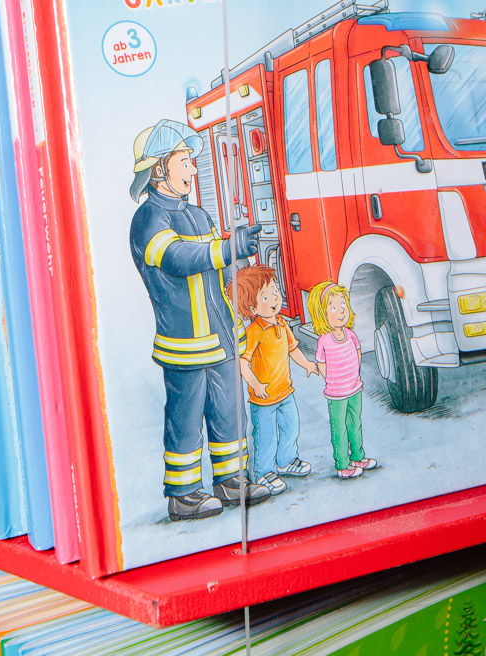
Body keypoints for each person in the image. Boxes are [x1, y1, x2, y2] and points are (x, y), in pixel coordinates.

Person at [128, 119, 270, 521]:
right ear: (159, 169)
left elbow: (219, 275)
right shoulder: (148, 220)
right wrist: (226, 249)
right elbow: (179, 259)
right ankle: (184, 494)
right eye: (185, 161)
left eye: (192, 161)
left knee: (229, 412)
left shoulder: (200, 215)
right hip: (185, 345)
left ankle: (231, 482)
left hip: (222, 340)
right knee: (186, 419)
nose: (193, 169)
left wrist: (239, 296)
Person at [234, 265, 317, 495]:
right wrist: (255, 385)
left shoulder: (282, 323)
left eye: (275, 291)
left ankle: (286, 461)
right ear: (253, 308)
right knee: (266, 437)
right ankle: (264, 472)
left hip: (285, 392)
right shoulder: (254, 332)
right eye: (265, 296)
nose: (274, 298)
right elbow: (243, 363)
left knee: (291, 428)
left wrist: (307, 364)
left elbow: (293, 349)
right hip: (263, 400)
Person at [308, 280, 377, 479]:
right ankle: (342, 464)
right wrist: (331, 379)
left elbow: (358, 353)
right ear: (322, 314)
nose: (340, 311)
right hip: (336, 394)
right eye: (333, 308)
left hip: (354, 388)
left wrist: (355, 374)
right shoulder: (324, 340)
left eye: (343, 305)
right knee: (339, 428)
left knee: (355, 423)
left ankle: (358, 457)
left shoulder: (351, 334)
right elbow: (321, 363)